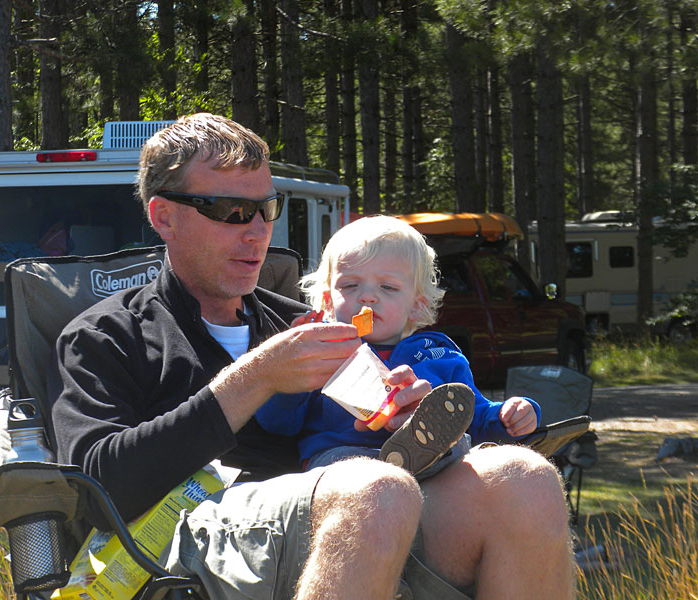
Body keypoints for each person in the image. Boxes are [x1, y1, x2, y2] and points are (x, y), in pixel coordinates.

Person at [48, 113, 575, 600]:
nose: (256, 231)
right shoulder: (107, 334)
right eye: (231, 211)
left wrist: (405, 411)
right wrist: (255, 379)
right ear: (164, 217)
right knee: (376, 487)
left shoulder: (310, 323)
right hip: (189, 534)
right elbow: (99, 486)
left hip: (357, 521)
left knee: (524, 479)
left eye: (266, 209)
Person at [255, 215, 541, 476]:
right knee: (348, 466)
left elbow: (476, 417)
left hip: (436, 472)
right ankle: (405, 459)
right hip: (345, 464)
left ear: (417, 306)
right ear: (328, 301)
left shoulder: (439, 355)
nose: (367, 297)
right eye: (350, 286)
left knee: (466, 448)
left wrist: (511, 415)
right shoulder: (321, 353)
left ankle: (418, 451)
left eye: (387, 287)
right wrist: (294, 372)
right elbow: (275, 423)